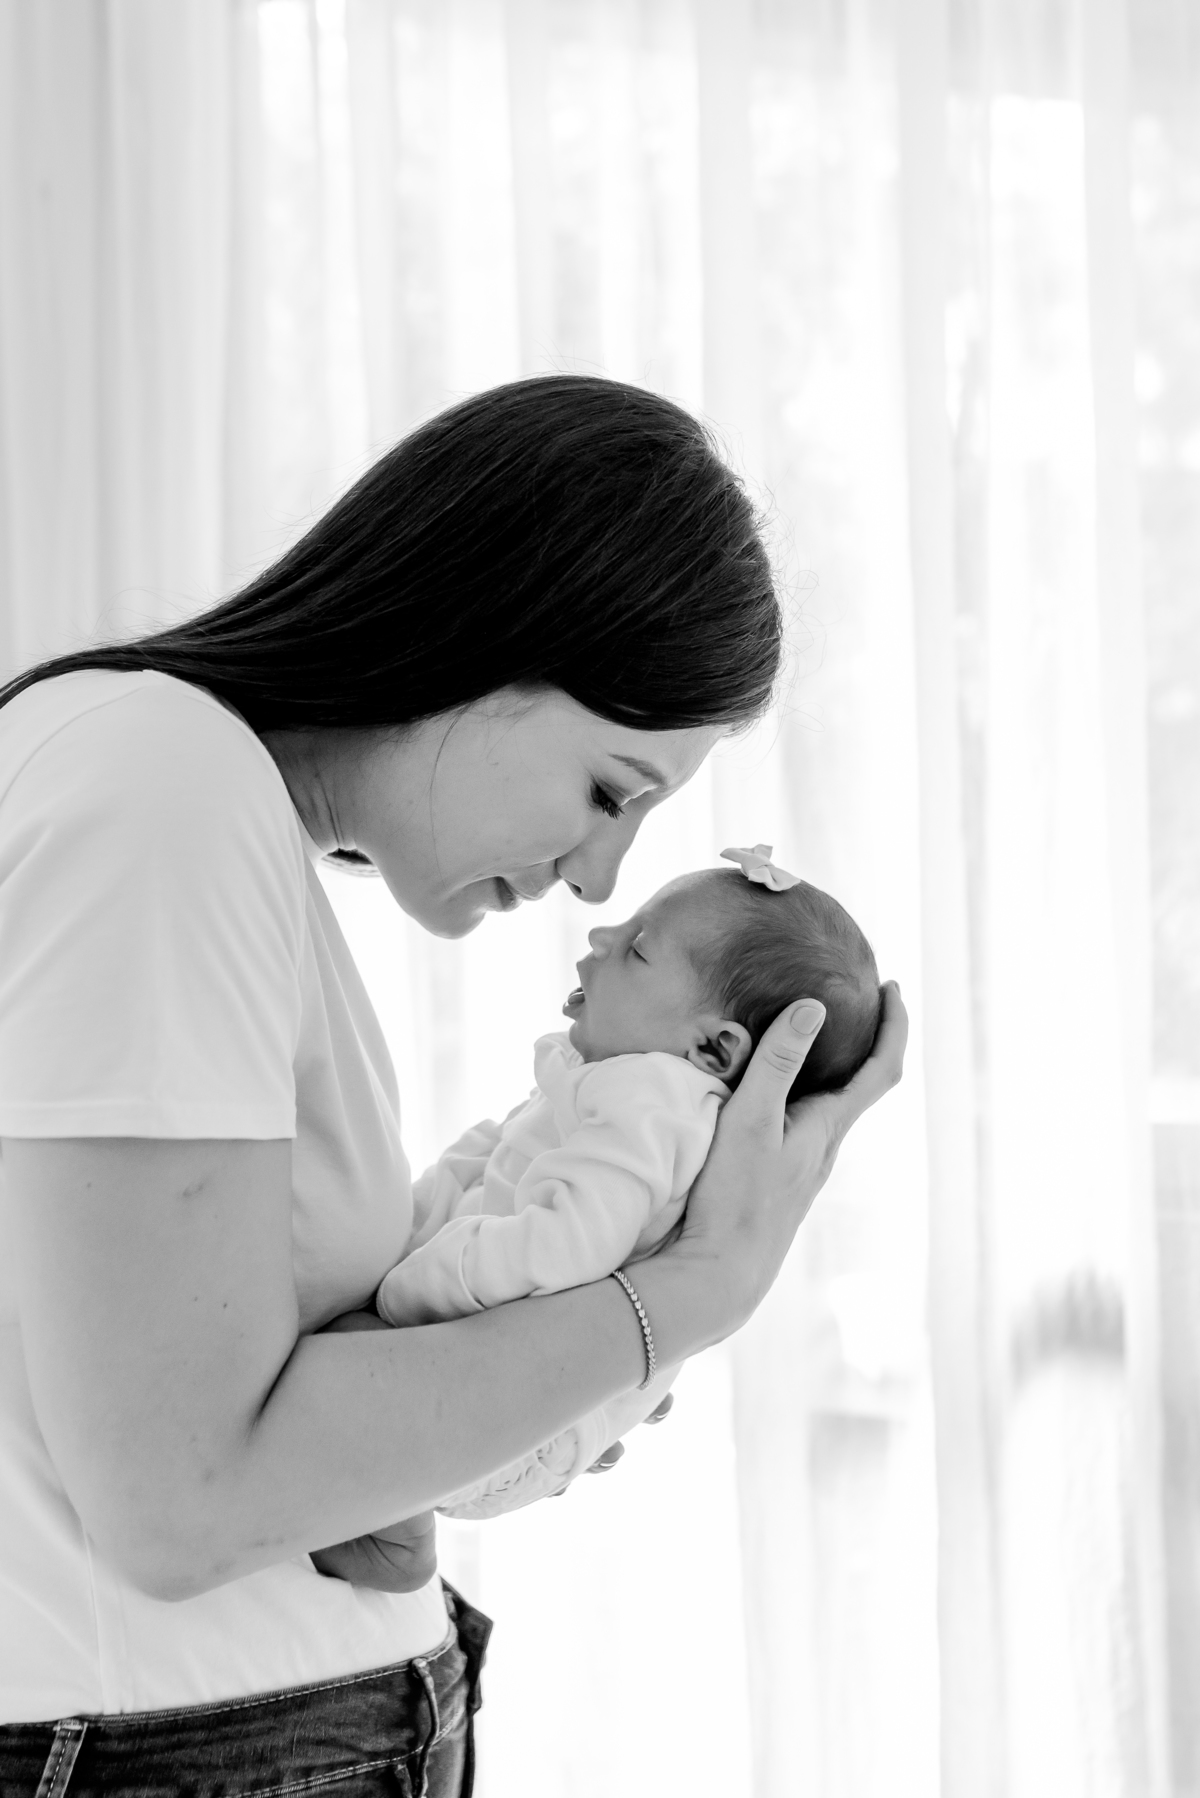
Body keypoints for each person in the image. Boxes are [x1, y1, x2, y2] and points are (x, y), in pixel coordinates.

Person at [0, 375, 907, 1797]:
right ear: (491, 634)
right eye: (613, 791)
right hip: (183, 1746)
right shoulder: (160, 783)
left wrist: (503, 1395)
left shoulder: (199, 802)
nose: (601, 880)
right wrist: (689, 1291)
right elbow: (178, 1499)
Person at [317, 850, 879, 1538]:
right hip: (528, 1405)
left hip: (515, 1416)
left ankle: (391, 1534)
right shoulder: (628, 1093)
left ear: (715, 1049)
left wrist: (402, 1291)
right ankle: (388, 1535)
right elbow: (491, 1159)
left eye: (637, 949)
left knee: (338, 1357)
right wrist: (407, 1223)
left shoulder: (655, 1104)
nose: (600, 939)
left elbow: (562, 1245)